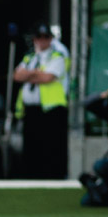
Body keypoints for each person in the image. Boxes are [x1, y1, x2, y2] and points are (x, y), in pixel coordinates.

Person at [13, 23, 69, 179]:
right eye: (39, 37)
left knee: (51, 147)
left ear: (51, 39)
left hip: (51, 109)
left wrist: (29, 74)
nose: (42, 40)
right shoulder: (30, 57)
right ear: (34, 39)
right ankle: (31, 176)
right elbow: (17, 76)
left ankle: (53, 177)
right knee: (31, 146)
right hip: (31, 109)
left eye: (46, 37)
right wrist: (35, 72)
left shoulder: (58, 56)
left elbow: (47, 78)